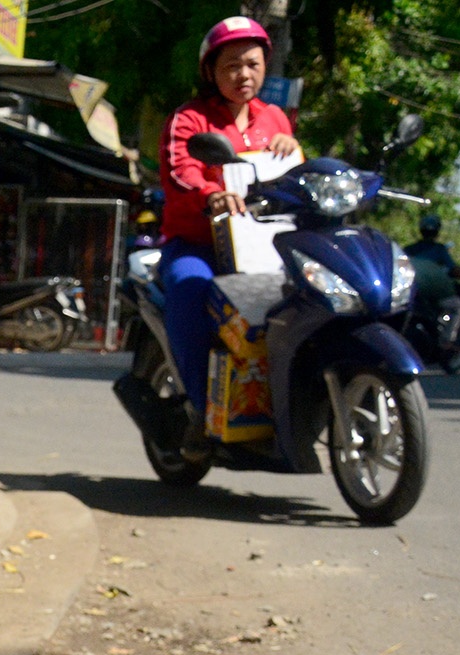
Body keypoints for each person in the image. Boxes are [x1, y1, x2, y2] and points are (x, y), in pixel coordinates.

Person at [157, 16, 301, 428]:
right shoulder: (189, 118)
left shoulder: (275, 119)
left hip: (263, 249)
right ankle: (202, 413)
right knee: (189, 293)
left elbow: (293, 179)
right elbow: (180, 169)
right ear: (211, 72)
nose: (243, 75)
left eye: (252, 64)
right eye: (231, 66)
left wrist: (292, 146)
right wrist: (211, 193)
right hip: (199, 244)